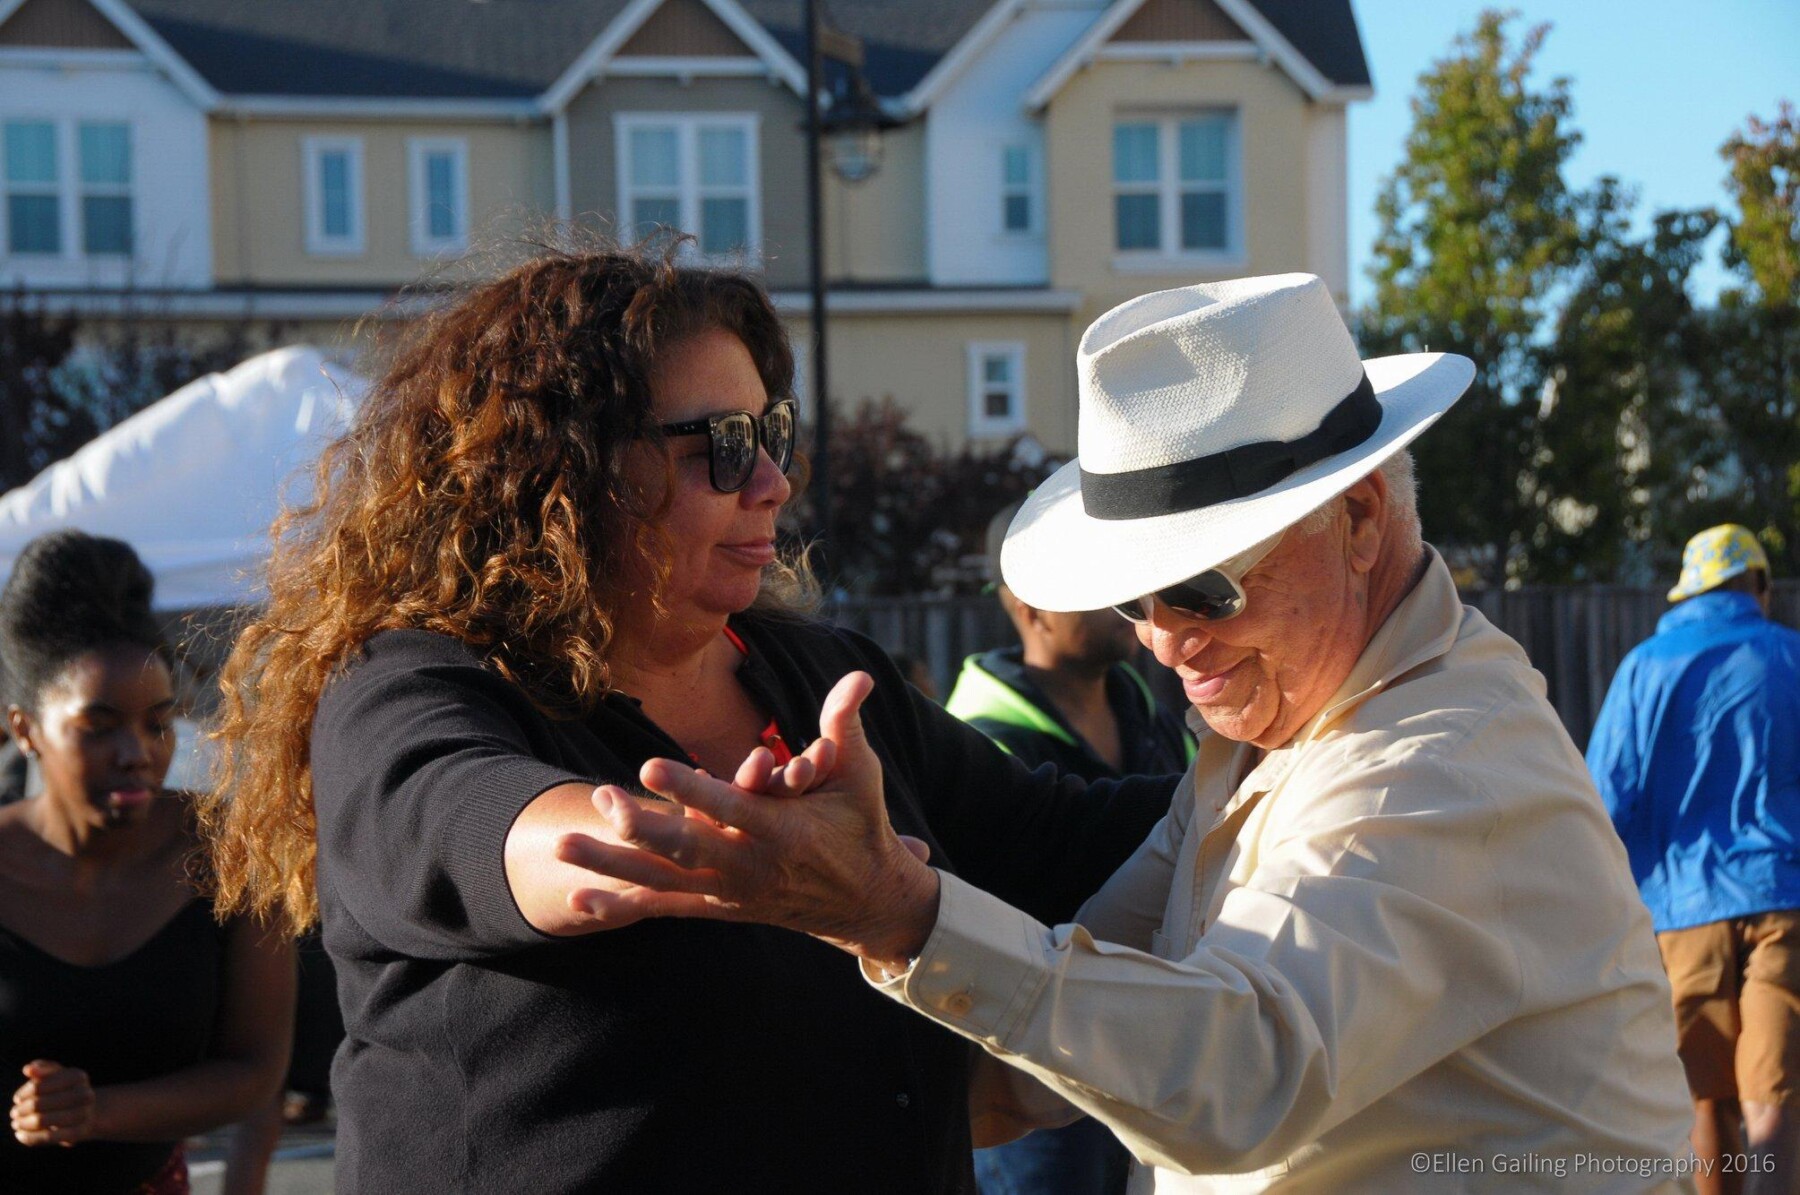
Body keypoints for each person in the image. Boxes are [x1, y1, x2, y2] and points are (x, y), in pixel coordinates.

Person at [561, 273, 1700, 1191]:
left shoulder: (1438, 759)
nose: (1162, 640)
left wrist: (891, 909)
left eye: (1201, 587)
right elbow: (1051, 1046)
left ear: (1359, 520)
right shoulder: (1279, 735)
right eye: (1135, 600)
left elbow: (1237, 1078)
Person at [196, 243, 1177, 1193]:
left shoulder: (825, 677)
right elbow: (476, 829)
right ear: (564, 472)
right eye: (724, 446)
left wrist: (1301, 751)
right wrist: (695, 849)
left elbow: (1077, 836)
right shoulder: (413, 686)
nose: (773, 483)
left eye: (774, 433)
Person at [0, 530, 293, 1195]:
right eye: (99, 726)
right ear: (23, 729)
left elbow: (254, 1069)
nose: (137, 752)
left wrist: (97, 1111)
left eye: (158, 722)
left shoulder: (229, 847)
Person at [948, 501, 1192, 1195]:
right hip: (1038, 1077)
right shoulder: (978, 744)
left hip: (1159, 1043)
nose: (1130, 598)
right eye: (1098, 579)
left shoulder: (1152, 711)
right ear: (1031, 605)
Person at [1588, 523, 1800, 1195]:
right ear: (1757, 586)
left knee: (1706, 1097)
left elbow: (1604, 801)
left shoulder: (1643, 668)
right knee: (1774, 1093)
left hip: (1681, 915)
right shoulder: (1791, 655)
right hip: (1784, 900)